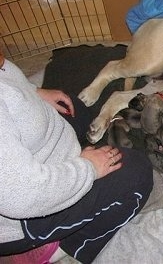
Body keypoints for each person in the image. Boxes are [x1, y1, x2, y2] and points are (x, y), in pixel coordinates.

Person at [0, 51, 154, 263]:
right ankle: (59, 247)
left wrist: (32, 92)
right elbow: (23, 193)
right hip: (27, 212)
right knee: (136, 171)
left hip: (36, 156)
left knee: (75, 107)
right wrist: (87, 168)